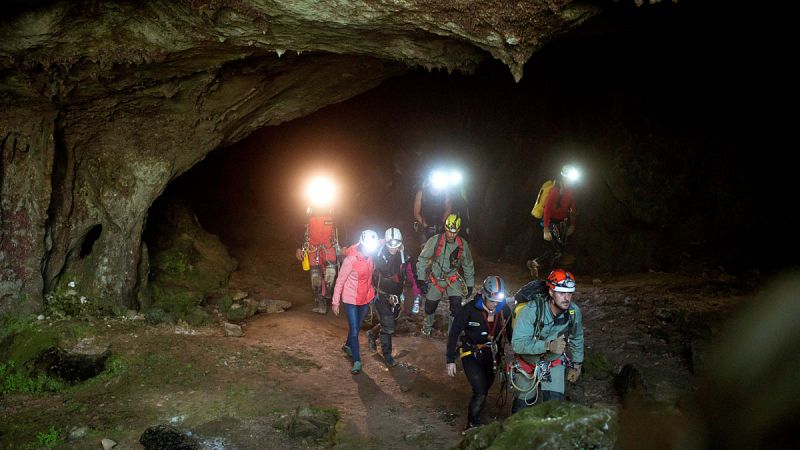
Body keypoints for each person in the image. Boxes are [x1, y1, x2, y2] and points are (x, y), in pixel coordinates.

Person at [510, 268, 584, 413]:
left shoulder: (573, 312)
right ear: (551, 292)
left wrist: (577, 364)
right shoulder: (532, 311)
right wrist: (548, 345)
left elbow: (577, 337)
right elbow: (517, 343)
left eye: (569, 293)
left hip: (553, 363)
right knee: (523, 409)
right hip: (528, 363)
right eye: (561, 293)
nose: (566, 298)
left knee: (554, 409)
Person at [446, 276, 512, 431]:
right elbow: (454, 333)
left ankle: (478, 408)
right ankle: (472, 424)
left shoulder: (504, 310)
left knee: (486, 387)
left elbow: (509, 333)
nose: (494, 306)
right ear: (484, 295)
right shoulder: (469, 310)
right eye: (492, 302)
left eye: (497, 302)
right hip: (471, 353)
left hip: (492, 354)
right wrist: (450, 359)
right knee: (480, 390)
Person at [365, 227, 421, 368]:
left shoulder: (405, 257)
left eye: (396, 245)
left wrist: (417, 291)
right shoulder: (378, 254)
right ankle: (387, 354)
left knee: (392, 322)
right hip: (381, 295)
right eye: (390, 245)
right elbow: (380, 270)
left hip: (396, 296)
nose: (393, 248)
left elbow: (411, 275)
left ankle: (372, 334)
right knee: (389, 325)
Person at [416, 213, 475, 336]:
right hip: (436, 279)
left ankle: (452, 333)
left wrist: (470, 285)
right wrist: (421, 279)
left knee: (456, 306)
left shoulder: (462, 245)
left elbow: (468, 265)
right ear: (445, 228)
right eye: (449, 231)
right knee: (430, 307)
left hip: (452, 280)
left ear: (458, 230)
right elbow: (422, 259)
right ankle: (426, 329)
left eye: (454, 232)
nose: (451, 234)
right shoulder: (435, 241)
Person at [332, 229, 379, 375]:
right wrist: (335, 302)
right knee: (354, 329)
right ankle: (357, 360)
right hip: (351, 299)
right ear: (362, 244)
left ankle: (347, 345)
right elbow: (340, 281)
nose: (369, 250)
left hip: (364, 298)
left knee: (357, 327)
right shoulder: (350, 260)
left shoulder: (370, 256)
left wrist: (396, 243)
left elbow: (383, 242)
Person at [528, 165, 578, 278]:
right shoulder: (556, 190)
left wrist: (572, 225)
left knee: (560, 249)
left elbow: (573, 209)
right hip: (551, 221)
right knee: (557, 250)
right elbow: (547, 209)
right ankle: (543, 268)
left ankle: (539, 265)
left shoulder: (571, 191)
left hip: (562, 222)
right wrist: (546, 228)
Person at [295, 206, 340, 314]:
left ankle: (328, 296)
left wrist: (343, 246)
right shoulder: (307, 209)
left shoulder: (333, 208)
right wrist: (298, 247)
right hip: (312, 247)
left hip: (329, 246)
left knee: (331, 273)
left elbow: (342, 226)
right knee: (316, 276)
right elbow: (298, 228)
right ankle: (320, 301)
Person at [413, 171, 452, 248]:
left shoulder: (445, 192)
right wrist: (424, 224)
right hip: (425, 225)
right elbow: (416, 212)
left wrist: (442, 222)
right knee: (425, 250)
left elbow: (448, 208)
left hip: (441, 224)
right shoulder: (421, 193)